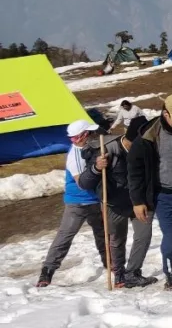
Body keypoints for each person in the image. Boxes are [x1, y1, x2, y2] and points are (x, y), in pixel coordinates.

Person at [127, 94, 172, 291]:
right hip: (164, 197)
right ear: (165, 114)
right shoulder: (148, 137)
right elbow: (135, 171)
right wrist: (138, 200)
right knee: (171, 240)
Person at [78, 116, 158, 288]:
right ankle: (119, 274)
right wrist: (97, 168)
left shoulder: (147, 147)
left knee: (143, 236)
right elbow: (84, 183)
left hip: (140, 201)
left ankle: (132, 273)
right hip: (113, 203)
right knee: (117, 239)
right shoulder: (104, 149)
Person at [36, 120, 107, 287]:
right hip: (77, 203)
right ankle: (47, 271)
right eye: (89, 133)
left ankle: (110, 264)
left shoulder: (92, 149)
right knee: (65, 237)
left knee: (103, 234)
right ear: (82, 136)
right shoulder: (74, 157)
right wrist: (97, 168)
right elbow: (82, 182)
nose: (92, 136)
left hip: (96, 201)